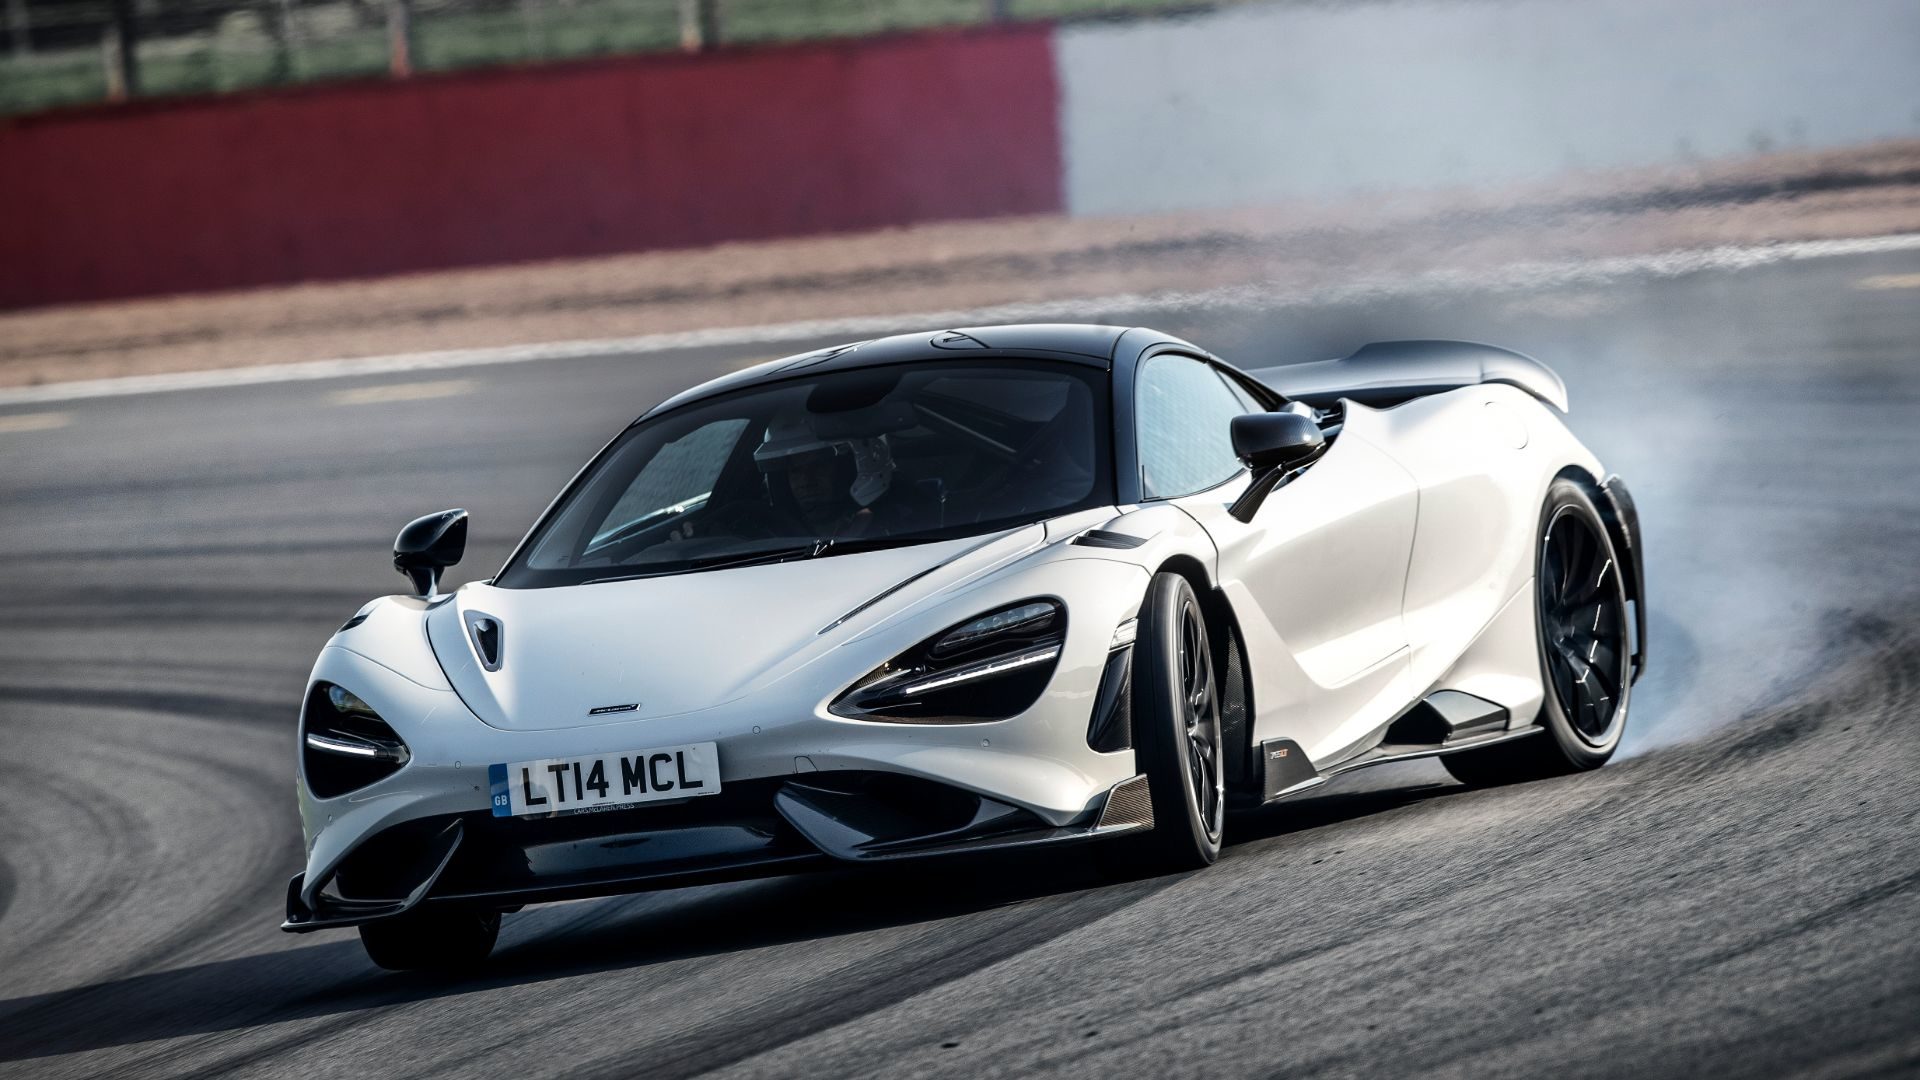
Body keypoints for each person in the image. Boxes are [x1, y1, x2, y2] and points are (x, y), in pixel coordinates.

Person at [751, 415, 897, 539]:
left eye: (818, 466)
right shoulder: (766, 536)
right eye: (795, 471)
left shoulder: (901, 525)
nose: (806, 481)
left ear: (853, 467)